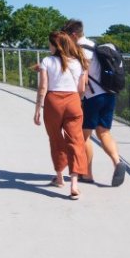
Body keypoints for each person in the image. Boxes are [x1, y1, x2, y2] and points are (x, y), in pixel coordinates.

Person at [64, 19, 126, 187]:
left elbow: (83, 79)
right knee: (104, 132)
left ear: (74, 35)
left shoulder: (79, 52)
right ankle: (117, 161)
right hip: (109, 94)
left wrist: (76, 99)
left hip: (92, 98)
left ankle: (87, 173)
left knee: (84, 135)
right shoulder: (95, 46)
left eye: (67, 36)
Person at [34, 30, 90, 199]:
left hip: (53, 102)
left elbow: (43, 87)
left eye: (49, 44)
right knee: (76, 140)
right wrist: (75, 101)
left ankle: (59, 177)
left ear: (55, 45)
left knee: (56, 138)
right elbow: (81, 89)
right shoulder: (78, 63)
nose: (48, 47)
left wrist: (38, 108)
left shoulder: (47, 61)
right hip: (73, 101)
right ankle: (74, 184)